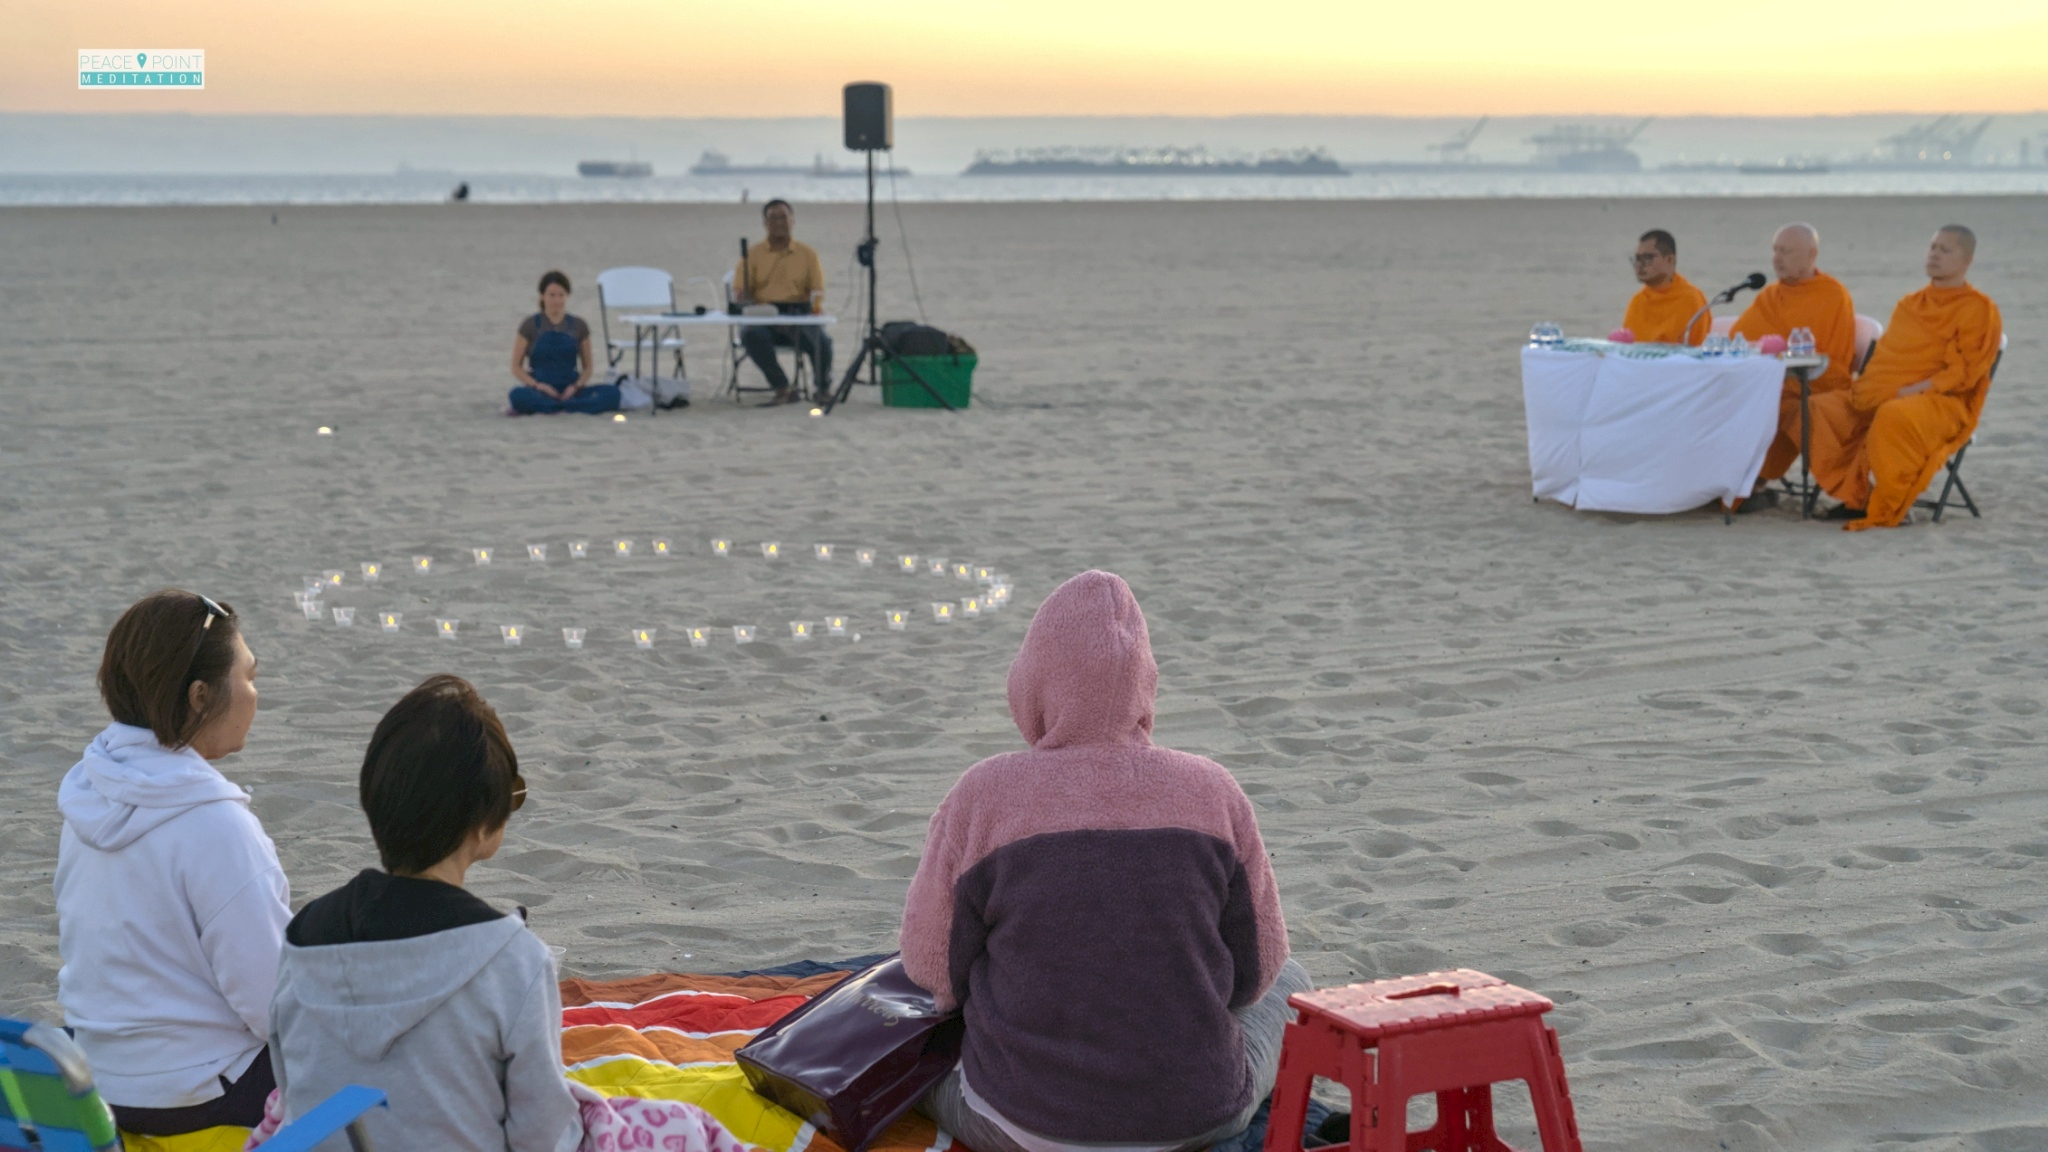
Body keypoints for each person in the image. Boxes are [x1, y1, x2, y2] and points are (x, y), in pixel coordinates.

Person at [900, 570, 1310, 1152]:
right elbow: (1255, 973)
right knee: (1292, 979)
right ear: (1147, 686)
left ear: (1032, 684)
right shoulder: (1215, 791)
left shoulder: (983, 793)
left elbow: (934, 970)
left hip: (1023, 1125)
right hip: (1199, 1116)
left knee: (914, 1059)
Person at [269, 675, 580, 1152]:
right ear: (484, 821)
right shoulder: (513, 960)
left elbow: (291, 1090)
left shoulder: (304, 937)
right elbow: (542, 1131)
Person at [57, 591, 289, 1152]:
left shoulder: (89, 798)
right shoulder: (216, 827)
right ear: (201, 696)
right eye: (249, 676)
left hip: (100, 1086)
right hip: (197, 1097)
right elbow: (273, 1006)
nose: (256, 694)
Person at [1809, 226, 2003, 530]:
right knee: (1820, 407)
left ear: (1966, 261)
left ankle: (1890, 504)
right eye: (1932, 247)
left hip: (1944, 402)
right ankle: (1856, 496)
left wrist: (1914, 390)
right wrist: (1877, 388)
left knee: (1892, 414)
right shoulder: (1910, 304)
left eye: (1945, 249)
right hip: (1892, 392)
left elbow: (1965, 373)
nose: (1934, 254)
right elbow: (1888, 358)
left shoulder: (1978, 309)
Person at [1726, 223, 1859, 508]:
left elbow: (1835, 365)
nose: (1777, 258)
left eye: (1785, 251)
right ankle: (1742, 484)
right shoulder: (1769, 296)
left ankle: (1852, 492)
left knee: (1796, 412)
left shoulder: (1832, 295)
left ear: (1811, 254)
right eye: (1775, 251)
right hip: (1772, 387)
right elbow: (1741, 342)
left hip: (1816, 389)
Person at [732, 199, 831, 406]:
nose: (779, 222)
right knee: (750, 335)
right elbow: (739, 292)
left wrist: (810, 309)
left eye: (783, 217)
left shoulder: (807, 254)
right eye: (773, 218)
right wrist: (747, 299)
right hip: (764, 314)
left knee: (822, 342)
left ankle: (823, 389)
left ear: (792, 221)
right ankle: (782, 388)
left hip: (797, 313)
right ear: (765, 224)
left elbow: (817, 290)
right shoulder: (752, 254)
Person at [508, 271, 617, 415]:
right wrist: (538, 386)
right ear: (542, 296)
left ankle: (562, 406)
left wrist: (575, 387)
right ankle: (566, 407)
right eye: (552, 295)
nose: (557, 300)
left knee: (613, 393)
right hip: (541, 389)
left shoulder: (579, 325)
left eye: (561, 295)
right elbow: (516, 367)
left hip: (570, 388)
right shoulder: (530, 325)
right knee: (517, 395)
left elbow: (588, 368)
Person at [1621, 229, 1709, 345]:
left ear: (1669, 260)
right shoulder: (1637, 301)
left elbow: (1696, 352)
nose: (1639, 265)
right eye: (1637, 258)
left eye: (1647, 258)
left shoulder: (1690, 299)